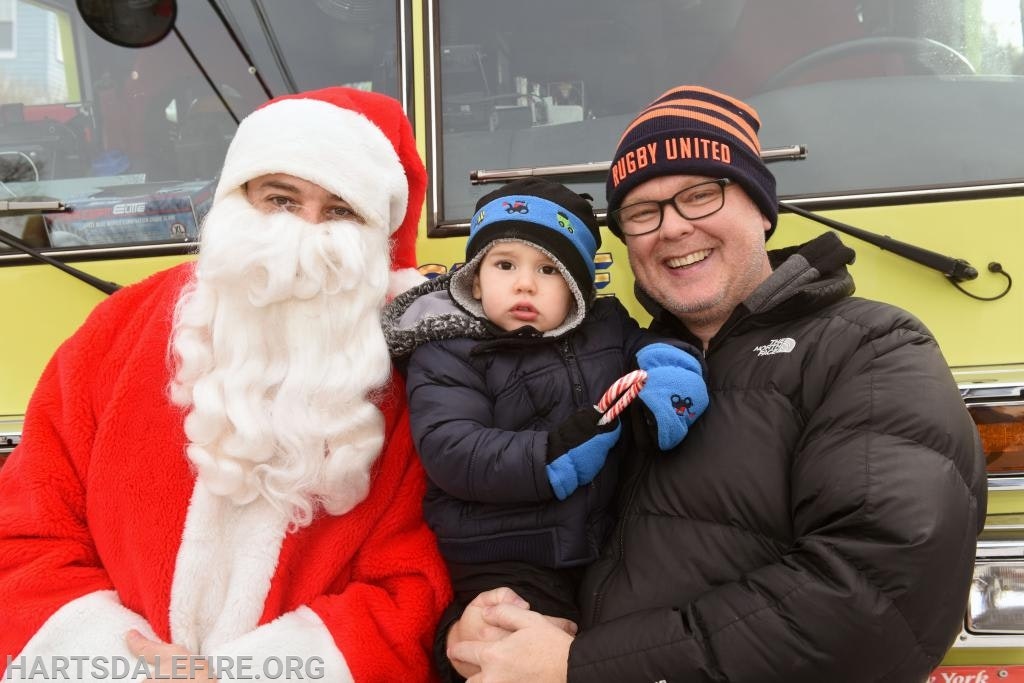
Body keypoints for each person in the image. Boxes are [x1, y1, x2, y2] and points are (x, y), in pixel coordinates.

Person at [444, 85, 988, 682]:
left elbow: (872, 598)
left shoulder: (869, 348)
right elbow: (532, 524)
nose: (672, 229)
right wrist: (483, 621)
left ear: (760, 206)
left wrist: (585, 667)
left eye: (701, 194)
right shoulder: (606, 361)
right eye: (642, 213)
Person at [0, 86, 450, 682]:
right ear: (236, 200)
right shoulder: (118, 332)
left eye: (340, 211)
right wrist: (116, 664)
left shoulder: (418, 374)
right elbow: (27, 533)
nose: (302, 235)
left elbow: (414, 588)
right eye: (281, 200)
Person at [382, 177, 708, 679]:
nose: (524, 284)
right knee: (511, 644)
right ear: (475, 276)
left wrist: (670, 377)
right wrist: (552, 453)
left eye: (549, 269)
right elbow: (452, 450)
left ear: (578, 284)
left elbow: (655, 351)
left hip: (604, 544)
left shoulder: (606, 327)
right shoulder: (449, 350)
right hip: (507, 554)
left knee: (635, 646)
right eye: (504, 264)